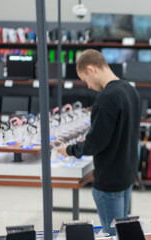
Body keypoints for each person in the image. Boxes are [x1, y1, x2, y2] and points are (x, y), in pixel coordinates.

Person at [57, 49, 141, 235]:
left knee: (112, 234)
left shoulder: (106, 98)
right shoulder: (131, 91)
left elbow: (95, 144)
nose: (88, 86)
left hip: (109, 181)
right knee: (123, 231)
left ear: (91, 69)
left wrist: (69, 149)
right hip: (126, 175)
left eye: (85, 79)